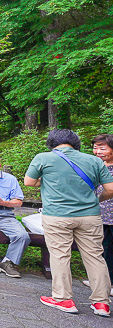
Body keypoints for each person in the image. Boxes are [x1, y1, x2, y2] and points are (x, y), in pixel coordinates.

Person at [25, 128, 113, 316]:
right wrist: (97, 200)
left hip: (57, 216)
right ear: (76, 143)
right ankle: (102, 303)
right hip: (90, 216)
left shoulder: (43, 158)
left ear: (51, 142)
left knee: (60, 256)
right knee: (95, 257)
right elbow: (111, 189)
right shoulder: (94, 160)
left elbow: (29, 182)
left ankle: (63, 299)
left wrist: (48, 180)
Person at [84, 134, 113, 294]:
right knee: (101, 249)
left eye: (102, 148)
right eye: (95, 148)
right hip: (99, 215)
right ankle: (101, 281)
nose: (98, 152)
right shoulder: (95, 165)